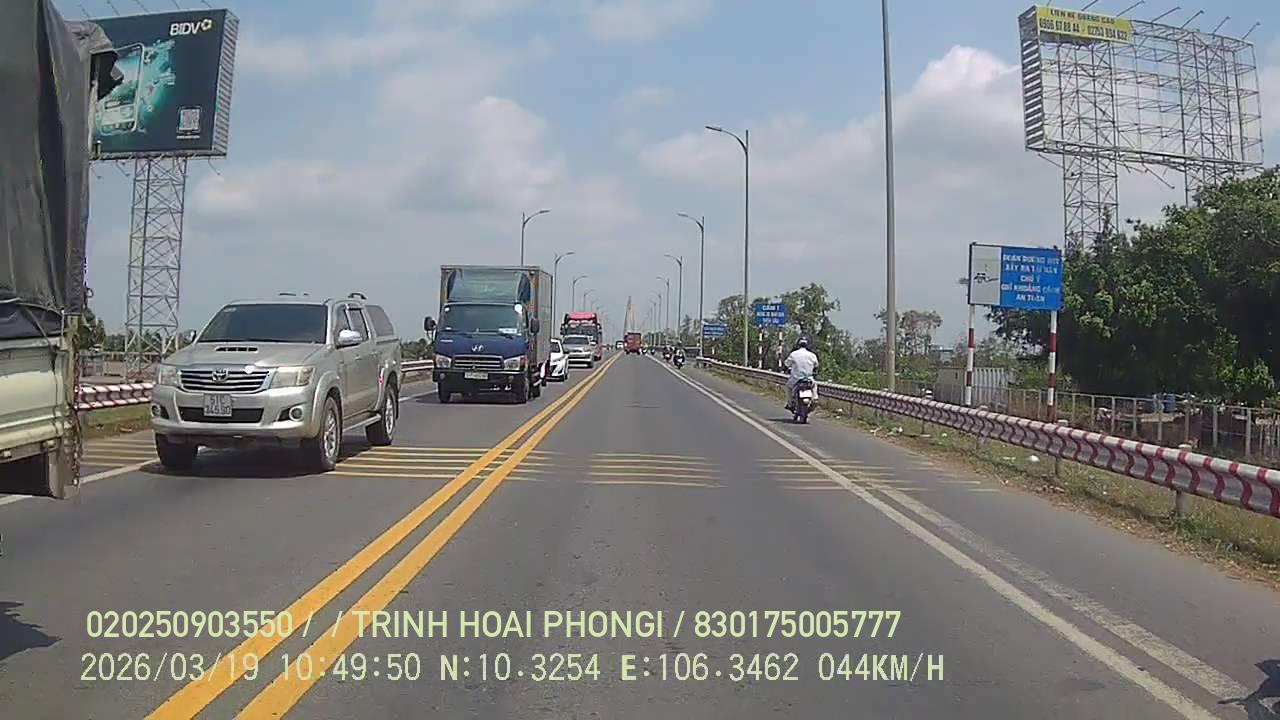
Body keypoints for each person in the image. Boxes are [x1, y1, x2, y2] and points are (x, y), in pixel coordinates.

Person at [784, 336, 819, 410]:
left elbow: (787, 364)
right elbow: (816, 365)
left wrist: (789, 368)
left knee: (788, 387)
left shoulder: (794, 354)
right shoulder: (812, 355)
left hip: (796, 378)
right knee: (814, 386)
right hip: (808, 378)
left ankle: (790, 403)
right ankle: (815, 398)